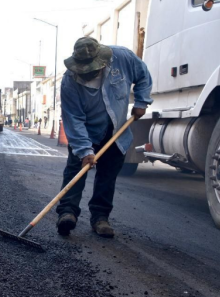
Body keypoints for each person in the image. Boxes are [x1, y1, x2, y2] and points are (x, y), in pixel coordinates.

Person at [56, 37, 153, 238]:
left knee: (107, 176)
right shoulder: (69, 81)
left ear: (102, 61)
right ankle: (67, 213)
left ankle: (100, 218)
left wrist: (142, 101)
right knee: (76, 172)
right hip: (86, 133)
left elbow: (143, 76)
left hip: (116, 131)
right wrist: (85, 152)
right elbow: (74, 120)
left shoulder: (122, 57)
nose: (87, 73)